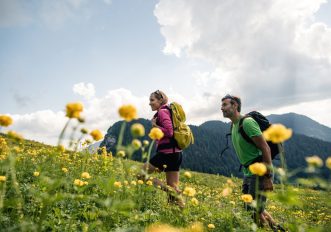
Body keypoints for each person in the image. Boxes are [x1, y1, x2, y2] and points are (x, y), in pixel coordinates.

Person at [221, 94, 284, 230]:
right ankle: (277, 229)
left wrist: (267, 177)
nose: (222, 108)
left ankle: (267, 229)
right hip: (248, 172)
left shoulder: (247, 123)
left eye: (225, 105)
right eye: (222, 105)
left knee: (254, 210)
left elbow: (265, 148)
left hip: (260, 171)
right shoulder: (233, 125)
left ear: (235, 105)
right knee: (250, 207)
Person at [139, 90, 184, 207]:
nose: (150, 103)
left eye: (152, 100)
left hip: (167, 154)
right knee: (173, 196)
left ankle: (171, 191)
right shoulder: (168, 111)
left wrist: (155, 126)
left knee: (141, 175)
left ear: (160, 100)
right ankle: (181, 215)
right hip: (176, 154)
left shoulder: (162, 112)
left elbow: (169, 132)